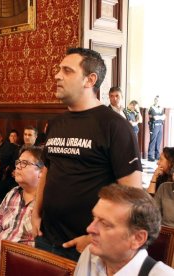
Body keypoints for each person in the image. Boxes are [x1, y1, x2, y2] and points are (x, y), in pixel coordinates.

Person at [32, 47, 142, 261]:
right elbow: (47, 171)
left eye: (67, 70)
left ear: (90, 80)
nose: (57, 75)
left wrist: (96, 237)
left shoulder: (115, 126)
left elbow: (132, 195)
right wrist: (35, 214)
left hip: (89, 245)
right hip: (46, 236)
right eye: (58, 69)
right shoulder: (56, 123)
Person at [75, 184, 174, 275]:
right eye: (94, 218)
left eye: (105, 224)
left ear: (137, 238)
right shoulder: (89, 255)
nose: (90, 229)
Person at [0, 146, 43, 273]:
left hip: (19, 269)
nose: (18, 166)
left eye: (24, 163)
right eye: (18, 162)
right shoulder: (13, 193)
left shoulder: (47, 203)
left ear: (41, 172)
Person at [148, 95, 166, 162]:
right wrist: (160, 117)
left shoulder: (161, 108)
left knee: (158, 141)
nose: (157, 101)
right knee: (153, 140)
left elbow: (164, 117)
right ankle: (150, 156)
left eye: (158, 100)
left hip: (160, 125)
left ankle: (157, 155)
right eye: (156, 100)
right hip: (154, 126)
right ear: (154, 100)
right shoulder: (151, 108)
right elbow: (155, 117)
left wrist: (160, 117)